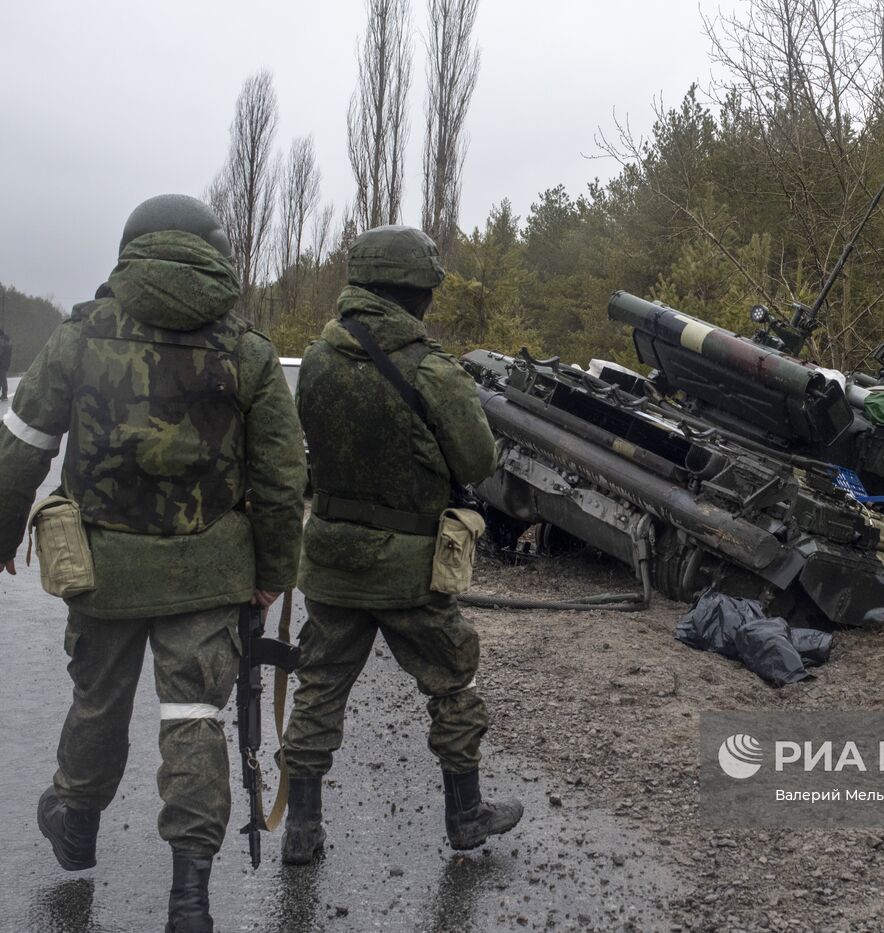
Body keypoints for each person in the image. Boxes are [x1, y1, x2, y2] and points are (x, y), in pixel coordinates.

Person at [0, 194, 306, 933]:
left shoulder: (80, 335)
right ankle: (189, 899)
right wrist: (273, 572)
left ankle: (76, 820)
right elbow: (281, 474)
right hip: (209, 576)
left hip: (101, 569)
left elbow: (24, 446)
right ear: (214, 253)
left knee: (97, 700)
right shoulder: (249, 351)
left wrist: (4, 534)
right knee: (195, 717)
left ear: (131, 249)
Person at [279, 224, 521, 864]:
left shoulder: (319, 360)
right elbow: (475, 461)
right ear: (415, 291)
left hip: (330, 559)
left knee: (319, 690)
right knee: (450, 684)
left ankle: (300, 831)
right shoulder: (432, 370)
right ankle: (465, 814)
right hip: (410, 568)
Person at [0, 326, 12, 400]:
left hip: (1, 363)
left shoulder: (1, 342)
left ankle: (4, 396)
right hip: (6, 363)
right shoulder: (7, 341)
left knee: (2, 379)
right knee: (2, 378)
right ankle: (4, 395)